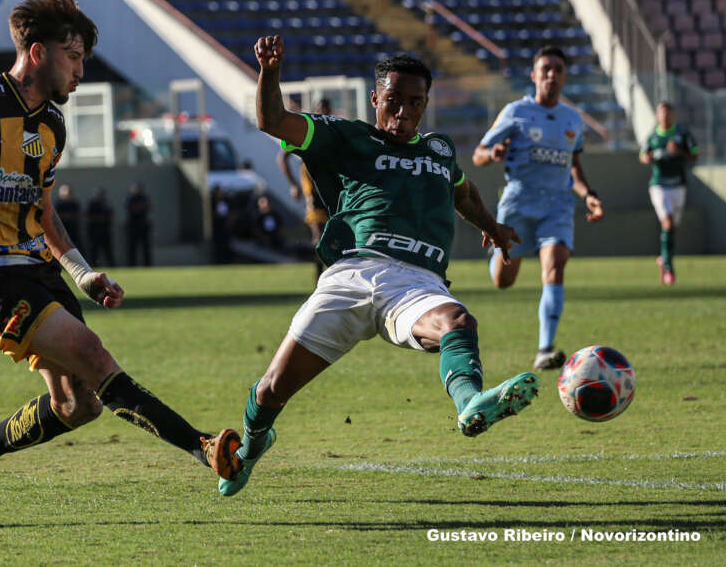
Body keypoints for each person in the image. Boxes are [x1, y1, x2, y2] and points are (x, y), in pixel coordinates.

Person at [0, 0, 240, 527]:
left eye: (82, 59)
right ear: (37, 53)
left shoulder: (53, 126)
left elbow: (44, 212)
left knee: (77, 405)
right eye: (73, 57)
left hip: (37, 270)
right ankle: (201, 445)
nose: (81, 71)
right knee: (89, 350)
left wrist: (83, 274)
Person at [217, 34, 539, 497]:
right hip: (351, 274)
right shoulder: (348, 137)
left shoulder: (440, 151)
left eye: (415, 103)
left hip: (416, 282)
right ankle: (251, 445)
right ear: (375, 99)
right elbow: (273, 121)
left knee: (457, 320)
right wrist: (270, 71)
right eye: (394, 101)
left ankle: (471, 403)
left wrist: (492, 225)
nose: (404, 112)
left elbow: (462, 192)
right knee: (270, 390)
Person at [472, 45, 604, 371]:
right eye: (545, 68)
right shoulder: (516, 112)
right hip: (518, 202)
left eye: (558, 69)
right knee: (504, 281)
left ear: (565, 76)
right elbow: (478, 154)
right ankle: (497, 259)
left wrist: (587, 193)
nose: (551, 74)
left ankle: (545, 349)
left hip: (557, 205)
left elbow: (573, 165)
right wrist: (493, 154)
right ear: (534, 75)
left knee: (555, 267)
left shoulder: (573, 119)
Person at [639, 101, 698, 285]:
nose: (665, 116)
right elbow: (642, 155)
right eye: (661, 113)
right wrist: (647, 158)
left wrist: (679, 152)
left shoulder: (681, 134)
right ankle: (670, 268)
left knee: (672, 228)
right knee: (668, 223)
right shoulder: (653, 136)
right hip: (659, 186)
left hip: (678, 185)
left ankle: (663, 259)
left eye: (668, 112)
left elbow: (695, 154)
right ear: (657, 115)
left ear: (672, 115)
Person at [278, 148, 329, 278]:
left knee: (333, 236)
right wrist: (294, 184)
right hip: (314, 192)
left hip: (331, 187)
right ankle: (320, 275)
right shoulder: (304, 131)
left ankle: (331, 274)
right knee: (319, 237)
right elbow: (282, 157)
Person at [124, 182, 153, 266]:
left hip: (143, 225)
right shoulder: (130, 198)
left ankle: (147, 265)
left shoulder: (144, 197)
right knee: (132, 247)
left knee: (145, 247)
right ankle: (131, 265)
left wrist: (140, 206)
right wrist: (141, 206)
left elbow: (149, 206)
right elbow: (132, 208)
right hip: (133, 226)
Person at [85, 187, 115, 267]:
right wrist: (98, 219)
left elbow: (111, 215)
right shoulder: (92, 204)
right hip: (94, 230)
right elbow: (88, 216)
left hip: (105, 230)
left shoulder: (106, 204)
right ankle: (93, 265)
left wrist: (103, 219)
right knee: (94, 250)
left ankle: (111, 266)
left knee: (108, 250)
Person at [53, 183, 84, 254]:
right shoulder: (58, 203)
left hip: (73, 229)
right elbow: (55, 216)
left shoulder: (74, 203)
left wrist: (70, 216)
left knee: (76, 246)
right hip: (61, 229)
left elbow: (79, 214)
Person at [211, 185, 233, 264]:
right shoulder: (212, 202)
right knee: (218, 245)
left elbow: (230, 213)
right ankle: (219, 261)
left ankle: (227, 260)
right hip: (217, 227)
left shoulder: (226, 201)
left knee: (226, 244)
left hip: (225, 227)